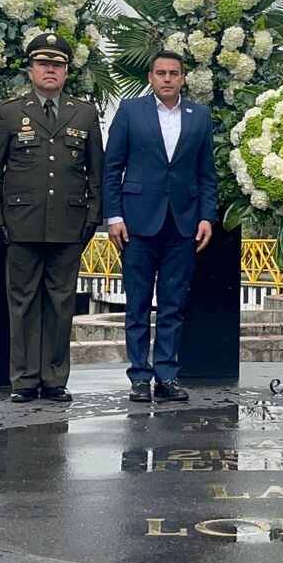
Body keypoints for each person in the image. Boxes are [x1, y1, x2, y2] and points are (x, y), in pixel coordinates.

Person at [0, 33, 104, 404]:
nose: (50, 70)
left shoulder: (84, 113)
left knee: (61, 303)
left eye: (57, 65)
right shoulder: (9, 113)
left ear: (66, 72)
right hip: (21, 223)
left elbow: (96, 173)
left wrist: (93, 216)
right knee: (22, 303)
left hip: (69, 223)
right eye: (43, 64)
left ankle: (54, 379)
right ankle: (23, 379)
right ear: (30, 70)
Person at [102, 51, 216, 403]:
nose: (167, 79)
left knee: (172, 304)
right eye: (161, 73)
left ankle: (166, 375)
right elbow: (112, 168)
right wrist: (114, 217)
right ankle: (139, 376)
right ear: (150, 77)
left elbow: (207, 173)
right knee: (137, 303)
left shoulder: (200, 115)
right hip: (136, 223)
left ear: (183, 78)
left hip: (183, 223)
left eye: (174, 73)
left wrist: (207, 216)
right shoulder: (130, 111)